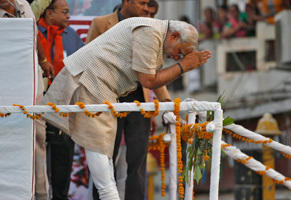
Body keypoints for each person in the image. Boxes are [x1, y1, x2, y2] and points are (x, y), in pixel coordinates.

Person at [40, 17, 211, 200]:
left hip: (97, 87)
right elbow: (148, 80)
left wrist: (169, 104)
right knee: (98, 149)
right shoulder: (150, 32)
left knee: (102, 150)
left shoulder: (156, 33)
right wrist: (183, 66)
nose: (177, 57)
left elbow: (153, 76)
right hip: (89, 82)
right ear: (174, 36)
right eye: (179, 52)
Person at [86, 1, 166, 200]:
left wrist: (166, 105)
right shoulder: (100, 23)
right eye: (141, 4)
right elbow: (87, 60)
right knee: (106, 159)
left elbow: (153, 70)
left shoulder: (149, 28)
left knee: (138, 161)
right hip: (109, 100)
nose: (145, 10)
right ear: (126, 2)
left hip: (140, 100)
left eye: (149, 8)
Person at [0, 1, 55, 200]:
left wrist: (43, 60)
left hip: (32, 85)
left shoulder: (22, 3)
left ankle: (40, 194)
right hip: (5, 88)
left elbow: (32, 34)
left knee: (38, 139)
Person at [37, 0, 84, 199]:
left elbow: (83, 65)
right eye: (64, 12)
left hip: (65, 106)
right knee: (38, 157)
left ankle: (61, 196)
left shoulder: (72, 36)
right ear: (49, 13)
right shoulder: (33, 34)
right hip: (37, 104)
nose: (68, 16)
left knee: (63, 157)